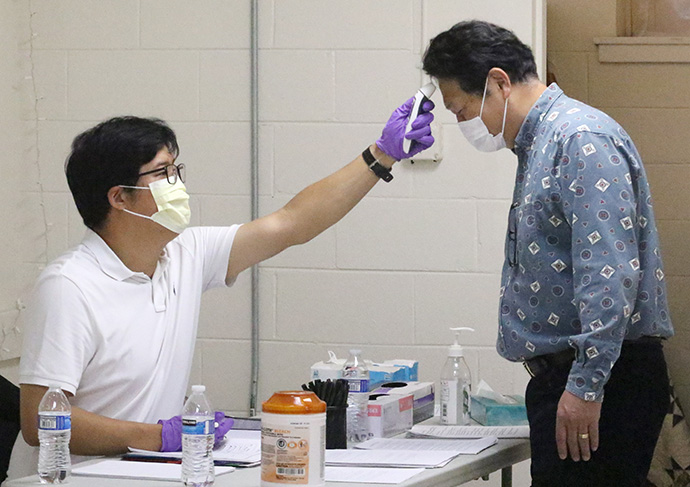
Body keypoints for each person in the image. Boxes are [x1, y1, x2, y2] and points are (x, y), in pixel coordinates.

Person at [8, 97, 434, 478]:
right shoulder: (70, 286)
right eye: (162, 173)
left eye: (178, 169)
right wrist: (161, 437)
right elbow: (39, 420)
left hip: (144, 473)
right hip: (69, 480)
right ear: (119, 197)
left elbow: (293, 223)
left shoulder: (184, 252)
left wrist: (381, 156)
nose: (178, 184)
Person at [422, 20, 673, 487]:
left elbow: (609, 275)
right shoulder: (541, 144)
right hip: (577, 377)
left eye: (460, 110)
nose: (461, 123)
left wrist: (585, 385)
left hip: (603, 380)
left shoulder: (578, 139)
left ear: (498, 82)